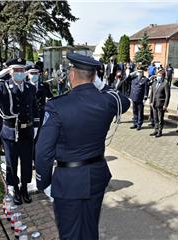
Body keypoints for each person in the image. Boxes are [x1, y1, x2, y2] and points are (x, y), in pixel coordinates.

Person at [35, 53, 130, 239]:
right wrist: (101, 86)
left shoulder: (57, 106)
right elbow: (124, 101)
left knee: (70, 233)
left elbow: (43, 151)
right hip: (96, 175)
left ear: (71, 75)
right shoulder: (107, 101)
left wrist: (43, 182)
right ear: (94, 77)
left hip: (68, 180)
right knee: (89, 228)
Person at [0, 58, 36, 205]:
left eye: (22, 70)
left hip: (27, 131)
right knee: (11, 163)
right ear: (9, 71)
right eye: (16, 70)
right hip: (10, 132)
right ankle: (15, 188)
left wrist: (35, 126)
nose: (19, 73)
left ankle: (24, 188)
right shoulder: (2, 87)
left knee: (27, 162)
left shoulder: (30, 87)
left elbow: (33, 107)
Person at [26, 65, 53, 129]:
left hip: (41, 113)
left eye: (36, 73)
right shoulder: (24, 86)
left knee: (41, 132)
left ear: (39, 74)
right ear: (28, 75)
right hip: (29, 113)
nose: (34, 75)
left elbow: (50, 97)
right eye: (32, 73)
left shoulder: (44, 85)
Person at [149, 70, 170, 137]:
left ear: (163, 76)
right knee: (155, 118)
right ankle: (156, 130)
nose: (158, 77)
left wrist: (165, 105)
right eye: (157, 75)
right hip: (154, 104)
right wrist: (151, 102)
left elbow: (167, 95)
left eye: (160, 76)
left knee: (160, 118)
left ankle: (160, 131)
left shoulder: (165, 84)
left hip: (161, 104)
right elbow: (152, 93)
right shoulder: (154, 83)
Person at [127, 64, 149, 130]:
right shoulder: (134, 78)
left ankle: (139, 124)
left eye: (140, 71)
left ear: (142, 72)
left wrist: (145, 98)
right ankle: (135, 123)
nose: (139, 73)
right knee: (134, 111)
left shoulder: (145, 79)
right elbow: (128, 78)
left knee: (140, 112)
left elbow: (146, 90)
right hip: (133, 97)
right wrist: (134, 72)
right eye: (138, 71)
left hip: (140, 98)